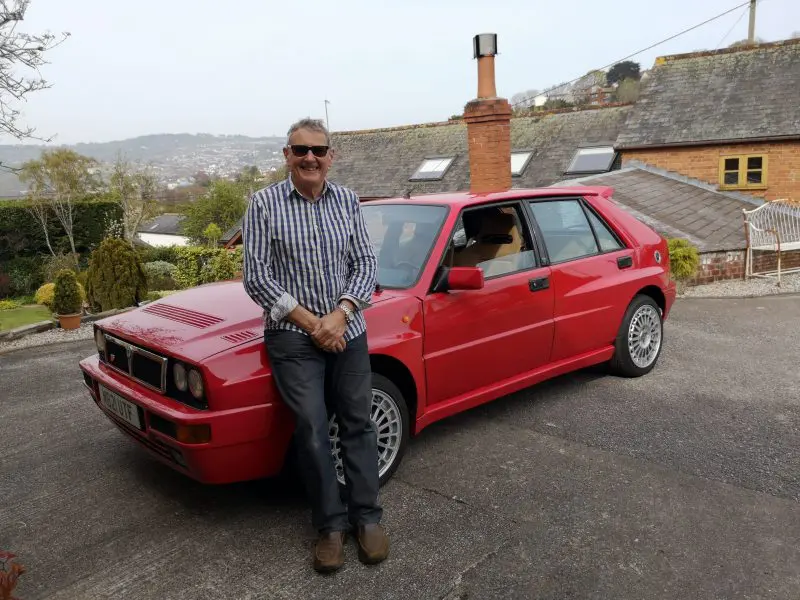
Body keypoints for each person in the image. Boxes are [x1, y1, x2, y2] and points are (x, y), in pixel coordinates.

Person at [241, 117, 388, 573]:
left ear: (330, 157)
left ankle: (366, 518)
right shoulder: (263, 204)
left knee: (358, 424)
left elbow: (365, 263)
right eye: (300, 149)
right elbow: (256, 276)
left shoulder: (346, 200)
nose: (310, 158)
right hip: (292, 338)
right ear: (286, 155)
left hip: (349, 330)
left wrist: (340, 315)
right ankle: (329, 527)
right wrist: (312, 323)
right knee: (311, 430)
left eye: (318, 150)